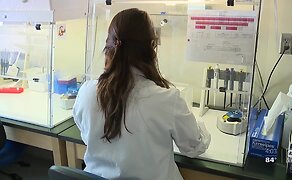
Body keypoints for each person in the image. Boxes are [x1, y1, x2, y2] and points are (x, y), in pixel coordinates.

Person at [73, 8, 211, 180]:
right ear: (151, 48)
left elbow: (86, 135)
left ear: (109, 45)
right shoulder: (167, 100)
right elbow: (194, 147)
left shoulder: (87, 92)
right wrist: (200, 126)